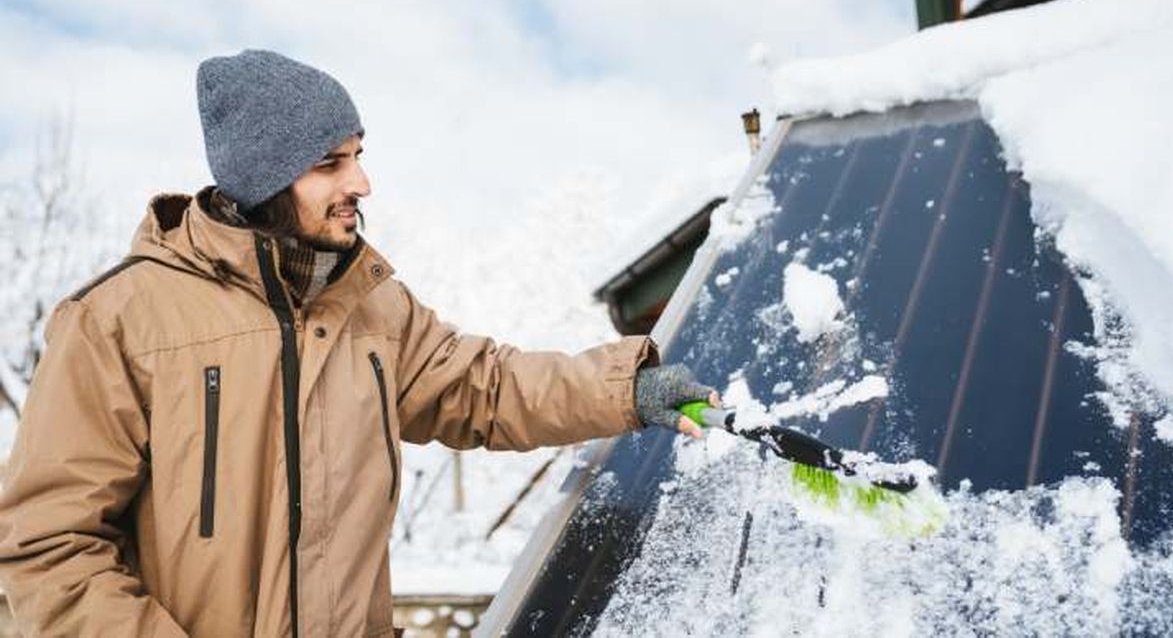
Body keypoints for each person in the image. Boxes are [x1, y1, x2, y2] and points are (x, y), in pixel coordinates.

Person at [0, 49, 717, 637]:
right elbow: (47, 549)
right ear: (265, 177)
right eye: (331, 163)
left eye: (359, 155)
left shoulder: (371, 307)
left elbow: (485, 388)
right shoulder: (119, 320)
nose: (363, 182)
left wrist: (626, 388)